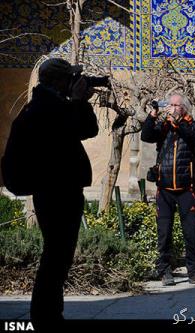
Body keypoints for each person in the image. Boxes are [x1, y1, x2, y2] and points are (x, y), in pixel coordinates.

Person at [1, 58, 99, 330]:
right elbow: (88, 129)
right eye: (70, 78)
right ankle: (45, 318)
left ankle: (48, 315)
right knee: (56, 257)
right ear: (58, 81)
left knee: (57, 256)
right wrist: (80, 100)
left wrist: (78, 101)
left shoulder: (44, 106)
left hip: (55, 191)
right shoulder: (48, 108)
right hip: (57, 193)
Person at [141, 93, 195, 286]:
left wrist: (178, 121)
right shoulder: (164, 127)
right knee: (164, 232)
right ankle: (164, 270)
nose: (171, 108)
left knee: (190, 231)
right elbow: (146, 136)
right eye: (169, 105)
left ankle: (194, 271)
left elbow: (193, 136)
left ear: (183, 108)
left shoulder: (193, 124)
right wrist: (153, 114)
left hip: (185, 189)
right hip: (164, 189)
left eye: (175, 105)